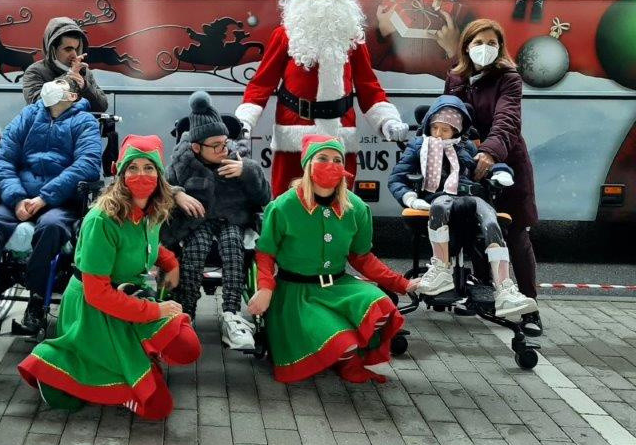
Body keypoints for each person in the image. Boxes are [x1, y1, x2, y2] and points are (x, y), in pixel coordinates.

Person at [18, 135, 201, 419]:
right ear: (120, 173)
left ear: (160, 174)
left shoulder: (151, 208)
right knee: (157, 408)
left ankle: (135, 357)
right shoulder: (102, 219)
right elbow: (98, 294)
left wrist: (169, 261)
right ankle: (58, 368)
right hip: (94, 310)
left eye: (149, 167)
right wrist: (154, 311)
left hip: (129, 297)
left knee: (187, 346)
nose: (141, 175)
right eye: (133, 168)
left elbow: (142, 243)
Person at [248, 136, 418, 384]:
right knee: (341, 342)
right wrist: (265, 288)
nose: (331, 164)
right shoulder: (283, 206)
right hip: (297, 293)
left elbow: (363, 258)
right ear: (307, 164)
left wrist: (403, 284)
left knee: (381, 306)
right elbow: (265, 253)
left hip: (339, 286)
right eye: (323, 158)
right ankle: (340, 351)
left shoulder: (356, 207)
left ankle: (345, 356)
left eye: (337, 159)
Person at [235, 0, 408, 197]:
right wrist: (244, 122)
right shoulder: (284, 35)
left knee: (338, 201)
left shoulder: (353, 37)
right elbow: (261, 84)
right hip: (295, 132)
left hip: (339, 133)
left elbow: (368, 86)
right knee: (288, 200)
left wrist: (388, 120)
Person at [0, 75, 102, 334]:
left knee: (51, 227)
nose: (53, 86)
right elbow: (3, 159)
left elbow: (87, 164)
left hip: (59, 202)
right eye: (53, 82)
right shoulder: (27, 117)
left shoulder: (84, 122)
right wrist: (17, 197)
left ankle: (36, 299)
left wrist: (45, 197)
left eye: (62, 85)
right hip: (20, 198)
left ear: (73, 97)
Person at [388, 96, 537, 319]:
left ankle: (504, 288)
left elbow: (490, 163)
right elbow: (396, 178)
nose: (438, 134)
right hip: (439, 197)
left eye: (446, 130)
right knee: (439, 205)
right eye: (435, 127)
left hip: (471, 197)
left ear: (457, 131)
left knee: (490, 219)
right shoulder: (420, 145)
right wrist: (409, 198)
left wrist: (502, 172)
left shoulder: (466, 146)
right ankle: (441, 269)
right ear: (428, 124)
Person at [443, 19, 543, 336]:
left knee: (514, 233)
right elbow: (450, 115)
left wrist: (489, 151)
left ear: (500, 47)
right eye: (478, 42)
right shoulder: (456, 77)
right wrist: (469, 145)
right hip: (468, 163)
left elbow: (507, 120)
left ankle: (530, 308)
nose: (485, 48)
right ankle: (488, 294)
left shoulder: (509, 79)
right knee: (474, 229)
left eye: (492, 42)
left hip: (507, 163)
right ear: (466, 46)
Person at [165, 91, 270, 349]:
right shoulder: (182, 162)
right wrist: (177, 195)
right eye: (217, 146)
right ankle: (185, 310)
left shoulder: (237, 159)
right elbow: (163, 188)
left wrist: (247, 171)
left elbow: (265, 196)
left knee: (234, 245)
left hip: (231, 220)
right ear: (196, 147)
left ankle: (232, 314)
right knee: (196, 247)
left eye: (225, 142)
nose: (224, 149)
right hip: (196, 223)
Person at [21, 17, 109, 113]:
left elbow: (102, 106)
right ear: (53, 50)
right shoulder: (34, 71)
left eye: (77, 49)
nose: (74, 55)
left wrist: (84, 86)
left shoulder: (84, 72)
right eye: (68, 49)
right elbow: (39, 105)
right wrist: (69, 78)